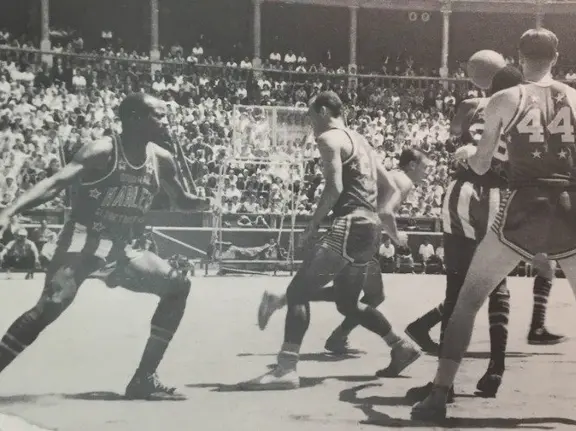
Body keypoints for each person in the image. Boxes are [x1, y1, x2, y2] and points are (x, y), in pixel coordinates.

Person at [410, 29, 576, 430]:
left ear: (519, 56)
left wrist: (466, 152)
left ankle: (438, 395)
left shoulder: (504, 99)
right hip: (570, 206)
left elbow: (480, 164)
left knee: (467, 303)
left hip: (524, 206)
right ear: (556, 56)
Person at [0, 93, 215, 400]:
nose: (165, 122)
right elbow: (54, 184)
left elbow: (180, 199)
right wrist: (10, 210)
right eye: (158, 115)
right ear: (134, 119)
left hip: (121, 248)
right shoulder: (102, 151)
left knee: (178, 287)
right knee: (50, 306)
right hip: (82, 241)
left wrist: (201, 202)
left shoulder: (161, 159)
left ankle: (144, 379)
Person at [238, 91, 421, 391]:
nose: (312, 125)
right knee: (348, 303)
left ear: (323, 111)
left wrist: (311, 226)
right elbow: (389, 187)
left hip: (348, 224)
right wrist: (382, 217)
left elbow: (334, 188)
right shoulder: (361, 140)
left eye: (311, 117)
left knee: (297, 291)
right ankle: (400, 346)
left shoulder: (329, 139)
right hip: (368, 228)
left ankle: (286, 369)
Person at [404, 62, 565, 403]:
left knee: (456, 290)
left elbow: (459, 137)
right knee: (497, 285)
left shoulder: (477, 107)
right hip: (500, 197)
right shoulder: (530, 115)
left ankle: (442, 385)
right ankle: (496, 368)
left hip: (463, 192)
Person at [256, 148, 435, 357]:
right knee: (360, 298)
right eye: (425, 167)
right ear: (412, 165)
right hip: (361, 239)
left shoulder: (391, 175)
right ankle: (328, 332)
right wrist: (396, 237)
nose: (427, 173)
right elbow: (384, 212)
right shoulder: (404, 181)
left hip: (357, 235)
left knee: (360, 296)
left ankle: (291, 307)